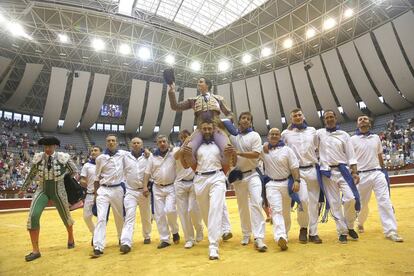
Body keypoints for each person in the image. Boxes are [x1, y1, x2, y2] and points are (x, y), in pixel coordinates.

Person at [18, 136, 78, 262]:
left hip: (59, 190)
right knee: (33, 216)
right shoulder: (39, 158)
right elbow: (31, 174)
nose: (47, 149)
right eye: (45, 146)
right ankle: (35, 250)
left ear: (55, 146)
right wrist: (23, 188)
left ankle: (71, 237)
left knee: (65, 216)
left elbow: (74, 171)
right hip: (42, 190)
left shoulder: (63, 157)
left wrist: (63, 178)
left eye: (50, 146)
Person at [184, 119, 236, 260]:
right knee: (206, 213)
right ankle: (215, 233)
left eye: (209, 129)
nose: (207, 131)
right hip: (200, 179)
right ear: (200, 130)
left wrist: (231, 154)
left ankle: (213, 246)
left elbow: (232, 162)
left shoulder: (221, 143)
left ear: (213, 129)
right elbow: (185, 164)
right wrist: (185, 148)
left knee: (215, 209)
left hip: (217, 177)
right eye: (204, 129)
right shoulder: (195, 145)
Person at [351, 115, 403, 242]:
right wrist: (353, 173)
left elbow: (379, 155)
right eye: (360, 119)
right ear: (357, 124)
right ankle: (360, 222)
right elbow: (350, 159)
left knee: (385, 200)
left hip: (377, 173)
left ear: (369, 123)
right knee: (362, 204)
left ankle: (391, 230)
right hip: (361, 175)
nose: (363, 120)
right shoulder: (352, 139)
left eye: (365, 119)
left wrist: (383, 169)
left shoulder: (376, 138)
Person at [168, 77, 233, 167]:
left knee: (228, 150)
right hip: (200, 130)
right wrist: (171, 91)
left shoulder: (218, 98)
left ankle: (223, 174)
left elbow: (230, 114)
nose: (198, 84)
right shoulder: (193, 100)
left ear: (208, 85)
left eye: (201, 82)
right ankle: (197, 172)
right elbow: (175, 107)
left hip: (216, 129)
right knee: (188, 150)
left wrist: (226, 122)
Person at [317, 110, 360, 244]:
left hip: (342, 171)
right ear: (324, 120)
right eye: (326, 117)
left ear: (335, 118)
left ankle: (349, 225)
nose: (329, 119)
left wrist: (354, 172)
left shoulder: (344, 135)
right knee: (335, 203)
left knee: (351, 199)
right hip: (327, 173)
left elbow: (351, 156)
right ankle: (342, 232)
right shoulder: (319, 133)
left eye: (331, 117)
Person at [281, 108, 322, 244]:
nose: (297, 117)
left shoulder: (312, 131)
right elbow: (282, 149)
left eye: (299, 115)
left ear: (303, 116)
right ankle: (303, 227)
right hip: (297, 172)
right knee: (303, 200)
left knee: (314, 203)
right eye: (294, 116)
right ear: (291, 119)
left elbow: (316, 147)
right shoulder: (285, 134)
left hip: (313, 169)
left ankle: (313, 232)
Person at [228, 111, 267, 252]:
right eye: (243, 118)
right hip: (238, 177)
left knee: (256, 202)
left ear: (251, 122)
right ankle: (246, 234)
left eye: (248, 119)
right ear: (239, 121)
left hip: (252, 174)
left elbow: (256, 154)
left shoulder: (254, 135)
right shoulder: (232, 137)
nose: (246, 120)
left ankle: (259, 237)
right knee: (242, 206)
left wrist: (238, 153)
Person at [261, 128, 300, 251]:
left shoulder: (287, 150)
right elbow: (254, 153)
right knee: (276, 210)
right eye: (272, 134)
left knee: (286, 212)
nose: (274, 136)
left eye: (276, 134)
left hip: (286, 183)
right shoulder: (263, 150)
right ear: (268, 137)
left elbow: (294, 167)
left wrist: (297, 181)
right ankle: (280, 236)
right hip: (271, 184)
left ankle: (285, 234)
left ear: (280, 137)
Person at [91, 134, 127, 258]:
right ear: (106, 143)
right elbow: (96, 177)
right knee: (101, 217)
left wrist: (146, 152)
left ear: (117, 142)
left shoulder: (123, 154)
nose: (111, 142)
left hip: (118, 189)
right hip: (104, 190)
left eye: (113, 141)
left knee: (119, 217)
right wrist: (96, 194)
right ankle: (98, 246)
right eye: (109, 141)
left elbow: (136, 153)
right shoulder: (100, 158)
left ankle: (122, 239)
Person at [143, 135, 180, 249]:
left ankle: (174, 231)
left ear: (168, 143)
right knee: (159, 214)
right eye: (160, 142)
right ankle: (165, 239)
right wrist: (145, 186)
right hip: (157, 187)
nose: (162, 143)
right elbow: (147, 172)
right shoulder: (152, 157)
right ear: (157, 144)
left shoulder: (174, 154)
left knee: (170, 210)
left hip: (171, 186)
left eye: (164, 141)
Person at [119, 137, 152, 254]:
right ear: (131, 145)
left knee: (146, 215)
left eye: (138, 143)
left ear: (142, 145)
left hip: (144, 191)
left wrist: (148, 187)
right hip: (130, 191)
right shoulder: (125, 156)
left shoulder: (148, 157)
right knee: (129, 216)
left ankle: (147, 235)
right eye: (134, 143)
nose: (136, 144)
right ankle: (126, 242)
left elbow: (151, 172)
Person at [173, 130, 204, 249]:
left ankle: (199, 228)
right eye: (181, 137)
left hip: (194, 182)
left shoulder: (197, 149)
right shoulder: (177, 149)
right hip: (180, 183)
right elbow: (176, 156)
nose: (184, 138)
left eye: (186, 136)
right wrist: (184, 144)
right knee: (183, 213)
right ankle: (189, 238)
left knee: (192, 209)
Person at [80, 145, 102, 244]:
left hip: (102, 194)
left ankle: (98, 238)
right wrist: (83, 182)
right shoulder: (87, 165)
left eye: (95, 150)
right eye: (92, 150)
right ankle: (95, 233)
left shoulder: (104, 164)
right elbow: (82, 179)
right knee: (86, 217)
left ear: (100, 152)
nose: (93, 152)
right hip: (90, 194)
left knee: (101, 217)